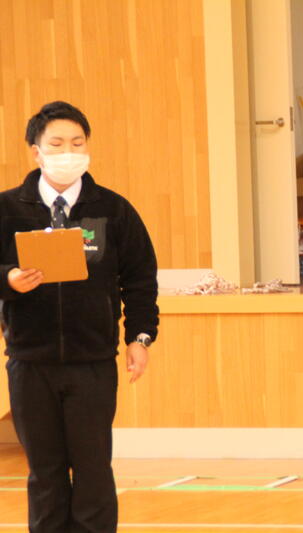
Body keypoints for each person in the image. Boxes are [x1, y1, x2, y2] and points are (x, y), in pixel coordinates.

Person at [0, 101, 159, 532]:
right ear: (36, 151)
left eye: (77, 143)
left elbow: (140, 279)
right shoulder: (7, 209)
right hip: (30, 363)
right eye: (56, 144)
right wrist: (8, 279)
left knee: (93, 470)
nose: (67, 152)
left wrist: (140, 337)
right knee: (45, 472)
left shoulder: (113, 209)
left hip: (92, 363)